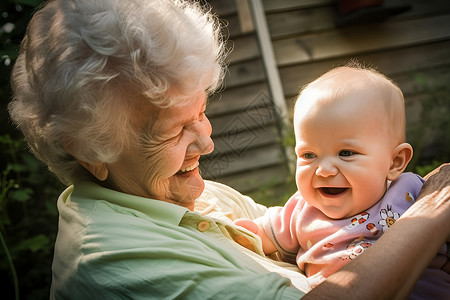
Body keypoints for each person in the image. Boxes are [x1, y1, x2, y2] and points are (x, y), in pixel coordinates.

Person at [7, 0, 450, 299]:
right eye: (173, 130)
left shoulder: (170, 190)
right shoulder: (112, 259)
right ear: (89, 151)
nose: (207, 141)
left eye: (200, 111)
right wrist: (434, 209)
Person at [235, 65, 450, 298]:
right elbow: (260, 236)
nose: (324, 170)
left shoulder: (411, 191)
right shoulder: (300, 211)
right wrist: (244, 233)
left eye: (346, 153)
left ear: (394, 162)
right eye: (309, 155)